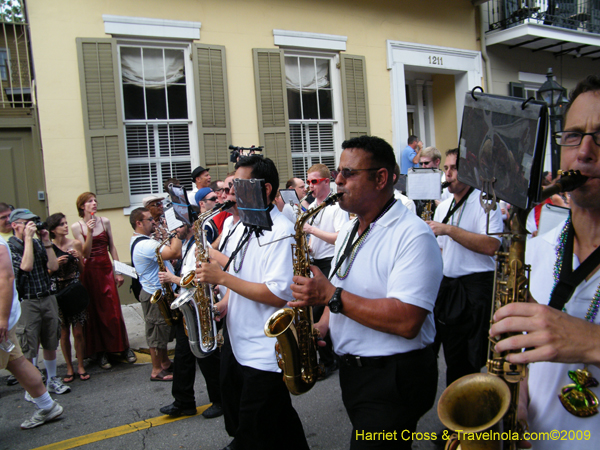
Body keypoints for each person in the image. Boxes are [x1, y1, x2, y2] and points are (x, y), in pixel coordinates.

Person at [291, 136, 443, 449]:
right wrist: (319, 327)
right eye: (337, 173)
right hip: (358, 373)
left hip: (394, 377)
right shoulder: (349, 229)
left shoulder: (412, 234)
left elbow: (408, 321)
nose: (338, 181)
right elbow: (345, 288)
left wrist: (330, 296)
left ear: (381, 178)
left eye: (349, 173)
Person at [490, 75, 600, 449]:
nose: (583, 152)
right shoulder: (537, 247)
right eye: (573, 136)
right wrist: (516, 397)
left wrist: (590, 341)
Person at [197, 155, 309, 450]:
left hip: (264, 352)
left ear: (266, 189)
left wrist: (221, 279)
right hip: (236, 345)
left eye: (239, 185)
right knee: (275, 423)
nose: (232, 193)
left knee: (253, 431)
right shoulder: (238, 225)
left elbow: (276, 293)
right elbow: (239, 272)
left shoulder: (282, 232)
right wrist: (222, 299)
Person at [427, 148, 503, 387]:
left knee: (474, 356)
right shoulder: (442, 207)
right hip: (450, 287)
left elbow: (492, 245)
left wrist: (448, 229)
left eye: (453, 168)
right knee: (454, 355)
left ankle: (476, 417)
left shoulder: (487, 202)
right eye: (446, 169)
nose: (448, 174)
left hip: (477, 288)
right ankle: (457, 413)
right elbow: (440, 252)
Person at [158, 223, 223, 419]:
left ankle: (220, 400)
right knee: (182, 357)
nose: (175, 232)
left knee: (207, 357)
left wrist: (173, 279)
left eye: (178, 227)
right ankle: (183, 402)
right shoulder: (187, 245)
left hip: (198, 306)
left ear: (188, 226)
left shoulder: (198, 246)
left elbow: (199, 279)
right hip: (187, 306)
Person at [1, 236, 64, 430]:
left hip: (7, 317)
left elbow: (11, 275)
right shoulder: (9, 243)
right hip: (16, 311)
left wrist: (2, 318)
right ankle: (47, 405)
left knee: (20, 359)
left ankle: (48, 403)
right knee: (17, 361)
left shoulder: (6, 245)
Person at [7, 209, 71, 397]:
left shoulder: (38, 243)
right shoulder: (10, 247)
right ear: (15, 225)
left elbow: (53, 266)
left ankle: (52, 379)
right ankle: (32, 384)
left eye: (33, 221)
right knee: (29, 343)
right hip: (27, 300)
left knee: (51, 339)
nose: (31, 226)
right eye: (26, 222)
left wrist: (45, 242)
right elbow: (25, 267)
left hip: (47, 296)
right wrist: (27, 239)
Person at [71, 192, 136, 369]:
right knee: (94, 312)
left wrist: (118, 271)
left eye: (95, 201)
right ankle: (100, 352)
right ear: (82, 206)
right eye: (89, 201)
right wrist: (90, 232)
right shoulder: (77, 227)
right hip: (90, 272)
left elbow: (112, 247)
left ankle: (123, 347)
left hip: (106, 269)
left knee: (113, 310)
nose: (94, 203)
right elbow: (85, 253)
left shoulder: (105, 221)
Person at [303, 163, 349, 378]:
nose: (309, 186)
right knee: (315, 313)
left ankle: (329, 361)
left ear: (325, 182)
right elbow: (316, 236)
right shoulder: (313, 207)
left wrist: (311, 229)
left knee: (321, 313)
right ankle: (327, 358)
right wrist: (309, 244)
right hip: (316, 260)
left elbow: (339, 237)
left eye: (313, 181)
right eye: (308, 181)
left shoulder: (337, 206)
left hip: (331, 261)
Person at [130, 207, 181, 381]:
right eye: (149, 220)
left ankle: (165, 363)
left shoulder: (143, 240)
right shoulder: (146, 244)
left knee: (161, 330)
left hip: (157, 291)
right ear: (139, 223)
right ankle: (156, 370)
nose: (154, 222)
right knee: (156, 332)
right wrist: (175, 233)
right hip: (155, 294)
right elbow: (176, 252)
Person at [46, 213, 89, 382]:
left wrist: (78, 259)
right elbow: (46, 273)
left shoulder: (75, 243)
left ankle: (80, 365)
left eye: (66, 223)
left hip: (74, 288)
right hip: (58, 290)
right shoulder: (47, 247)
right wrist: (56, 265)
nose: (66, 226)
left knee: (78, 331)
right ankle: (69, 367)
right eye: (61, 224)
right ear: (53, 229)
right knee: (63, 332)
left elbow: (82, 270)